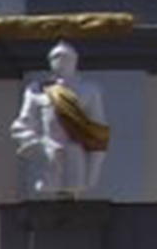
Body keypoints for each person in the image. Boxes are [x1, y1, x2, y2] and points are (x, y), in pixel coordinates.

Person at [10, 41, 108, 195]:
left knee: (75, 189)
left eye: (67, 58)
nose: (62, 62)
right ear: (50, 62)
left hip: (76, 155)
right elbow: (21, 126)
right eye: (56, 58)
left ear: (75, 61)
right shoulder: (37, 90)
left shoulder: (89, 90)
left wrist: (93, 170)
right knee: (48, 192)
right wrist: (39, 147)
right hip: (49, 153)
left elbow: (98, 132)